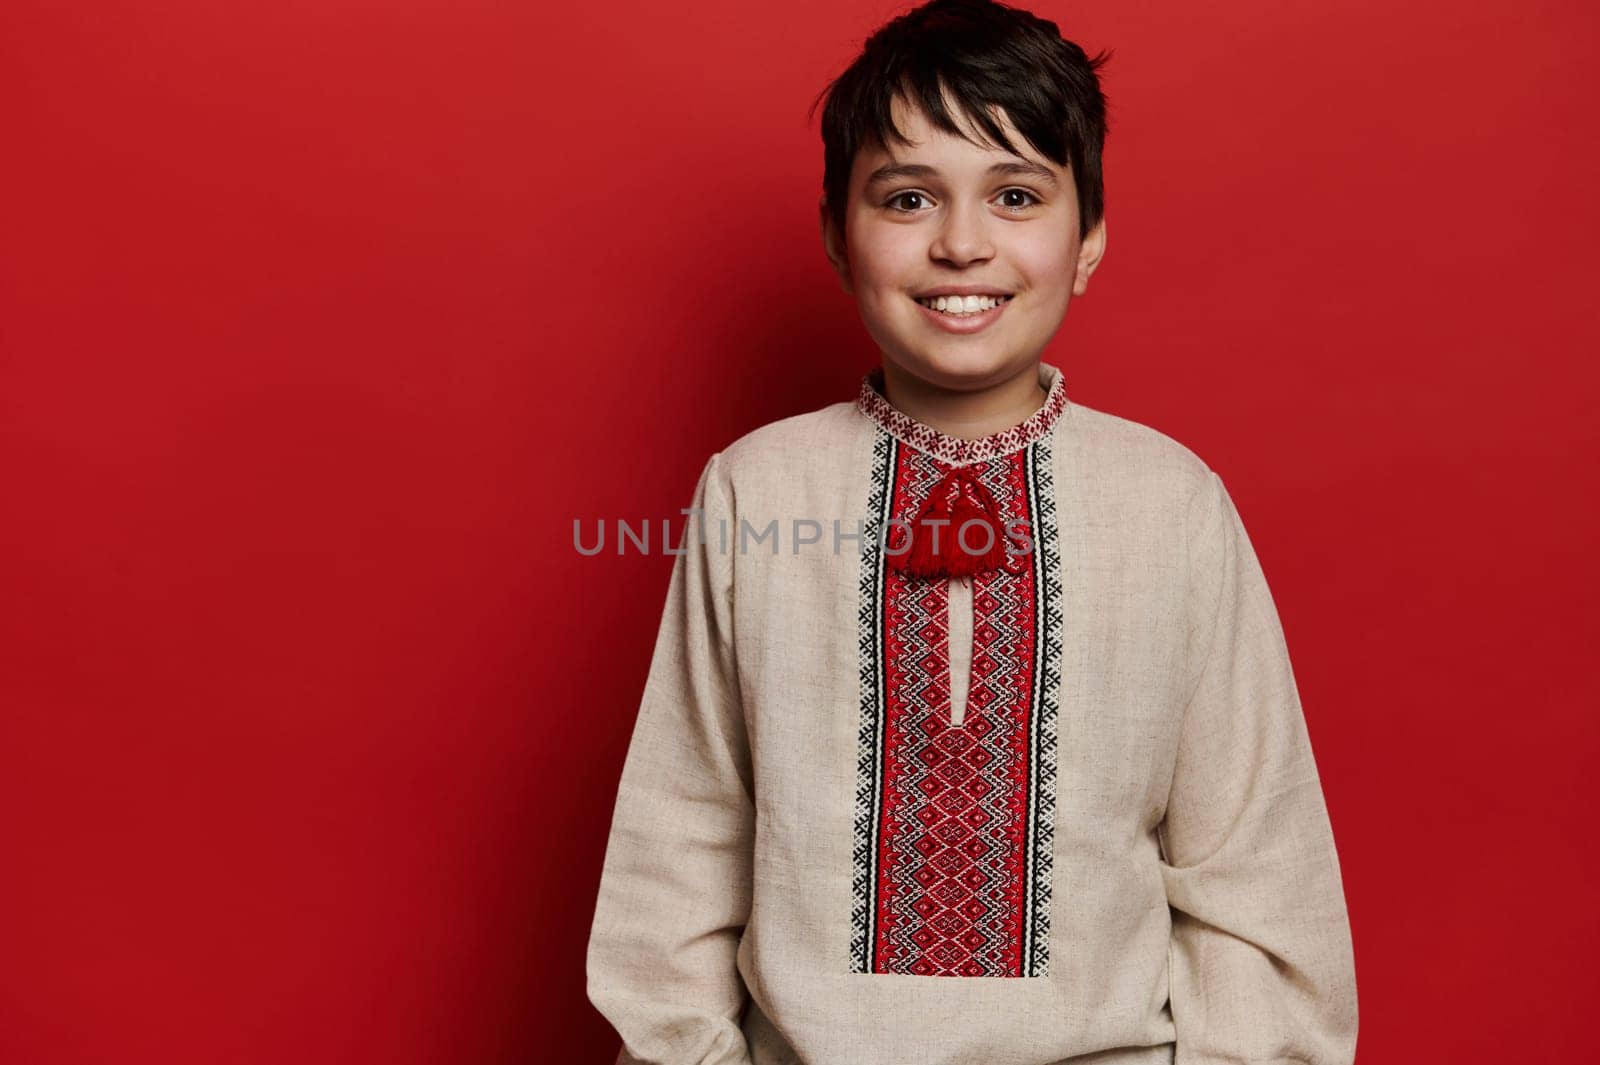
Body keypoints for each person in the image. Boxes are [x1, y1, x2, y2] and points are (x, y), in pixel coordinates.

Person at [584, 1, 1358, 1062]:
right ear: (834, 235)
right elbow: (677, 848)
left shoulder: (1170, 504)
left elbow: (1254, 874)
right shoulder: (754, 492)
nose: (959, 243)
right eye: (907, 197)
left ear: (1085, 241)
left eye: (1015, 196)